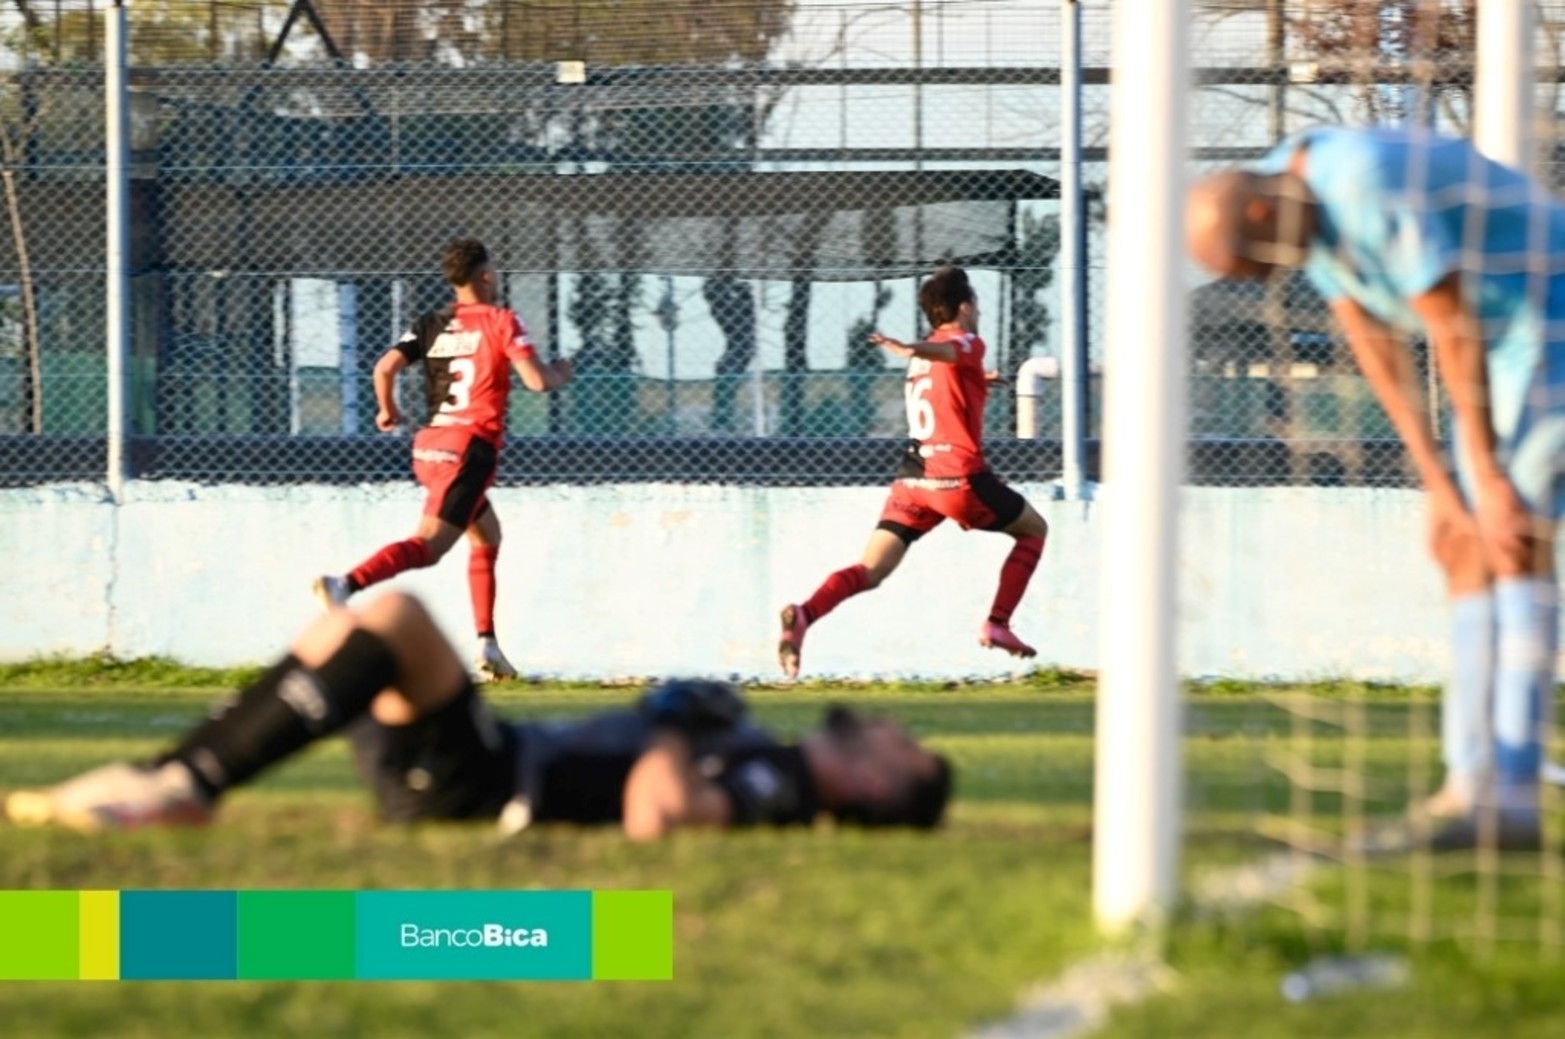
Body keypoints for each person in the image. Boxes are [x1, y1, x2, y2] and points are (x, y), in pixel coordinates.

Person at [1186, 125, 1564, 850]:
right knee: (1463, 546)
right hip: (1500, 341)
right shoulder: (1291, 193)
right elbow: (1369, 335)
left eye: (1258, 266)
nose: (1269, 281)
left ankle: (1511, 798)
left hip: (1548, 322)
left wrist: (1484, 475)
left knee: (1512, 536)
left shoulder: (1360, 181)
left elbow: (1450, 324)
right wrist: (1438, 486)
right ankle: (1468, 782)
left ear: (1263, 214)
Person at [4, 592, 953, 839]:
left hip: (487, 783)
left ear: (878, 785)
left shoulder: (780, 785)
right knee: (349, 629)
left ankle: (186, 782)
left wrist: (677, 726)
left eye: (901, 745)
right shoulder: (777, 761)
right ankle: (175, 779)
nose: (888, 729)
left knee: (396, 621)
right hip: (490, 760)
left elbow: (660, 814)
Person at [313, 238, 573, 682]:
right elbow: (536, 381)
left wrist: (386, 410)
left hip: (429, 447)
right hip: (469, 450)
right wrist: (560, 373)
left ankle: (488, 645)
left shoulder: (431, 323)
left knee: (487, 534)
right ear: (486, 276)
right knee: (429, 547)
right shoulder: (501, 321)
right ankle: (345, 584)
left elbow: (384, 368)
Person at [777, 267, 1051, 677]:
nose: (978, 312)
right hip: (955, 478)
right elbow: (953, 350)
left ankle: (804, 614)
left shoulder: (927, 361)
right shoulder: (964, 342)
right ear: (964, 308)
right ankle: (998, 622)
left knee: (870, 569)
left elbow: (945, 374)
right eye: (975, 304)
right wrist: (910, 347)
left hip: (913, 480)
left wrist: (976, 379)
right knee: (1034, 530)